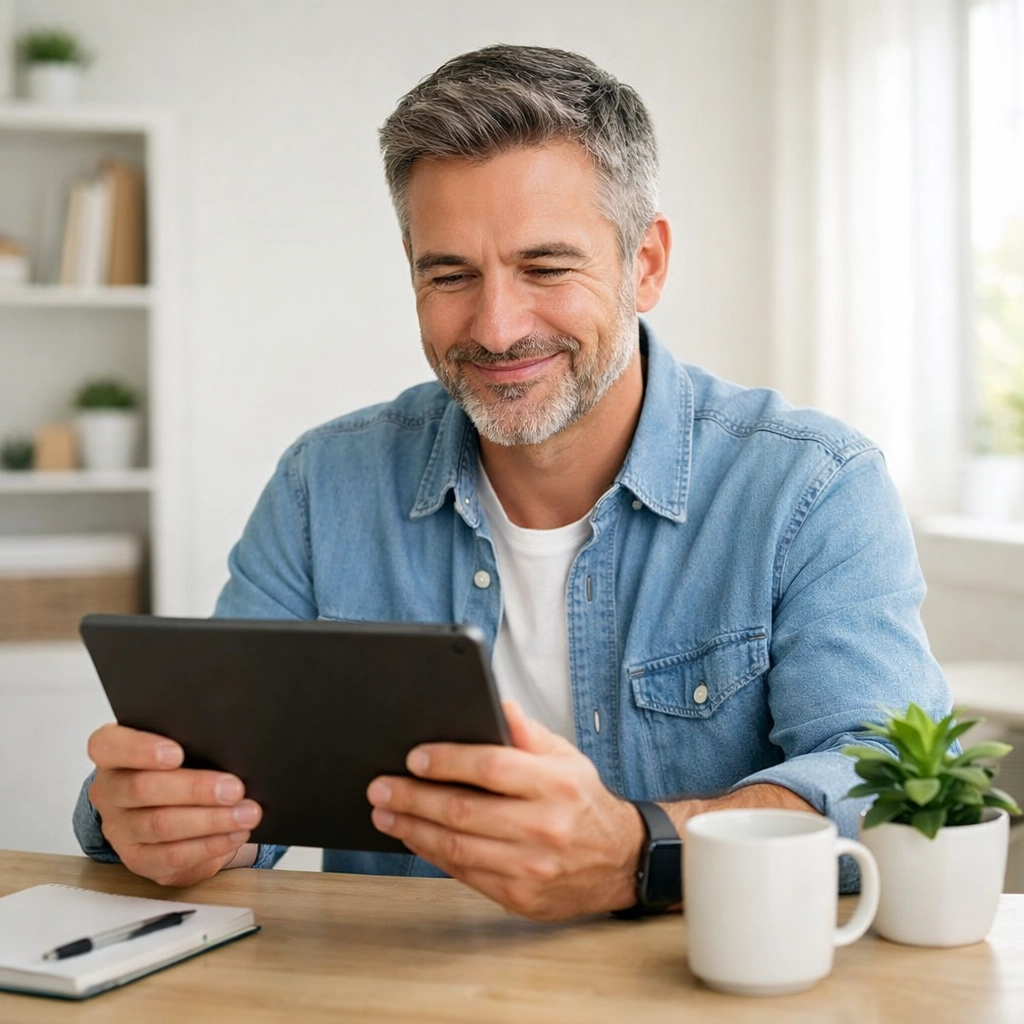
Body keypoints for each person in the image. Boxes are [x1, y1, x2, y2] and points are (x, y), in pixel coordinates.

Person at [73, 44, 950, 922]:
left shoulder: (812, 488)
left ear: (644, 263)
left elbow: (893, 789)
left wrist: (640, 850)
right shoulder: (322, 486)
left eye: (546, 267)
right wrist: (165, 821)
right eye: (449, 274)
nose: (495, 328)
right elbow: (228, 780)